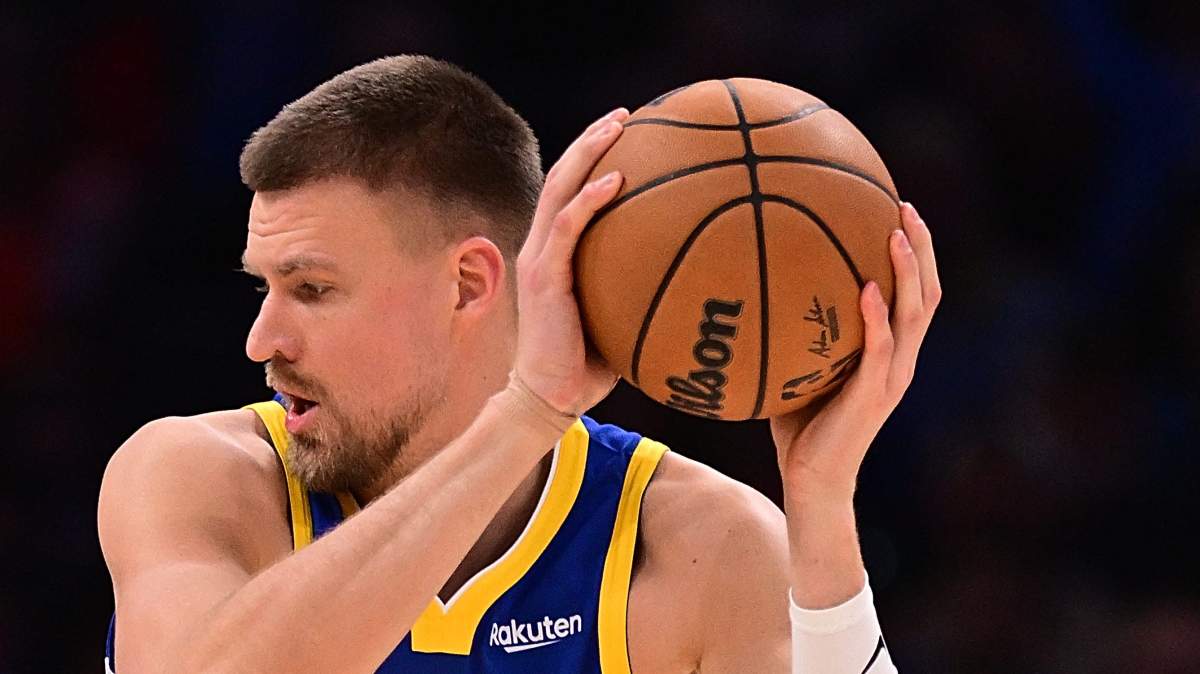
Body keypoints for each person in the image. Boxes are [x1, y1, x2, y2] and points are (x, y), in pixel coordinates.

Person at [98, 55, 939, 673]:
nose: (262, 339)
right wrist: (528, 413)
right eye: (265, 287)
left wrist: (822, 507)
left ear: (468, 284)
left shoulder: (690, 545)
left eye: (311, 289)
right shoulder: (196, 480)